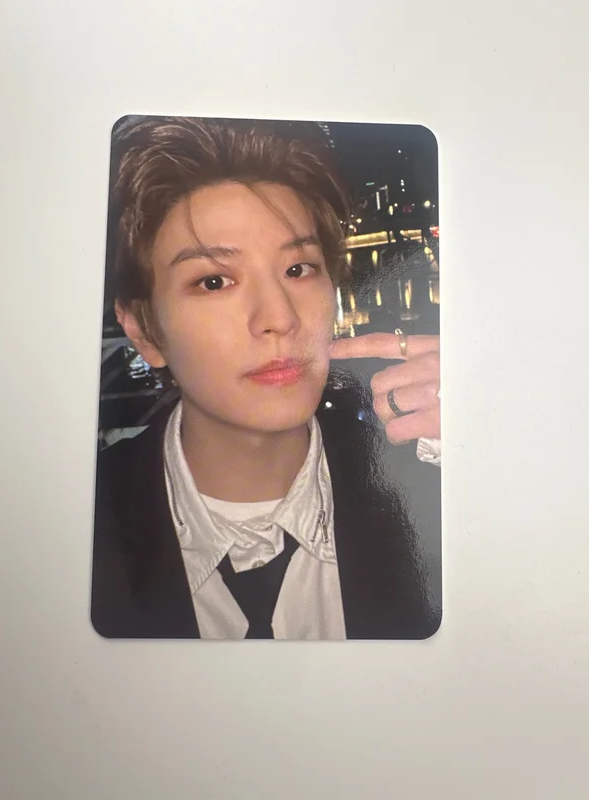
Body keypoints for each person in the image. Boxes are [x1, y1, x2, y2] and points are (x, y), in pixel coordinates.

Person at [91, 116, 441, 640]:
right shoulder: (66, 531)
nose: (279, 317)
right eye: (214, 281)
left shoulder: (427, 491)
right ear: (143, 330)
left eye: (298, 269)